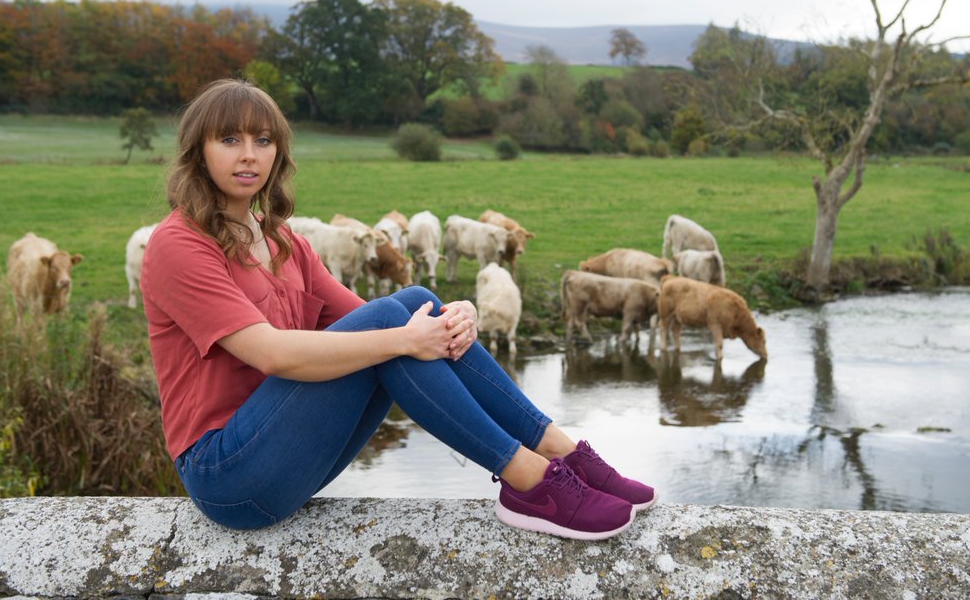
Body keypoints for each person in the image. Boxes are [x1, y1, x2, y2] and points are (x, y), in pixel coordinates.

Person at [140, 78, 656, 540]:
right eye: (230, 140)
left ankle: (563, 453)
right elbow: (271, 353)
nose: (249, 155)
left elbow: (382, 315)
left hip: (291, 455)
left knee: (416, 303)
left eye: (263, 140)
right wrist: (409, 337)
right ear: (198, 151)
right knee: (401, 324)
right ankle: (530, 481)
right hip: (228, 476)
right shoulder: (179, 245)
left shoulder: (283, 241)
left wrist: (453, 318)